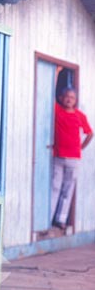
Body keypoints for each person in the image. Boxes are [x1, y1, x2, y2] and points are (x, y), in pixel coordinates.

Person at [50, 87, 92, 230]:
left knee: (67, 190)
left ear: (75, 100)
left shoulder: (80, 115)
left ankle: (60, 219)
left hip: (73, 158)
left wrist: (81, 147)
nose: (69, 99)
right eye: (66, 96)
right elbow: (49, 92)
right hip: (58, 156)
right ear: (61, 98)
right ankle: (48, 217)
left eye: (72, 97)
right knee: (55, 187)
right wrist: (56, 74)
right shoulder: (58, 111)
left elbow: (90, 133)